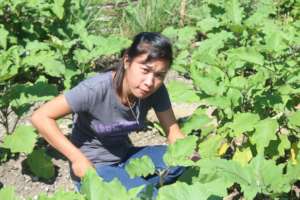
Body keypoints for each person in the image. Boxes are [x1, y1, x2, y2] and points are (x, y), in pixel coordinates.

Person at [30, 32, 194, 197]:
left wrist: (192, 157)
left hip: (128, 157)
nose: (150, 82)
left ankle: (135, 186)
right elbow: (40, 117)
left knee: (183, 164)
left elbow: (174, 132)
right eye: (145, 70)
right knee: (143, 195)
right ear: (127, 61)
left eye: (159, 75)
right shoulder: (95, 89)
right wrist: (77, 159)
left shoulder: (155, 91)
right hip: (95, 167)